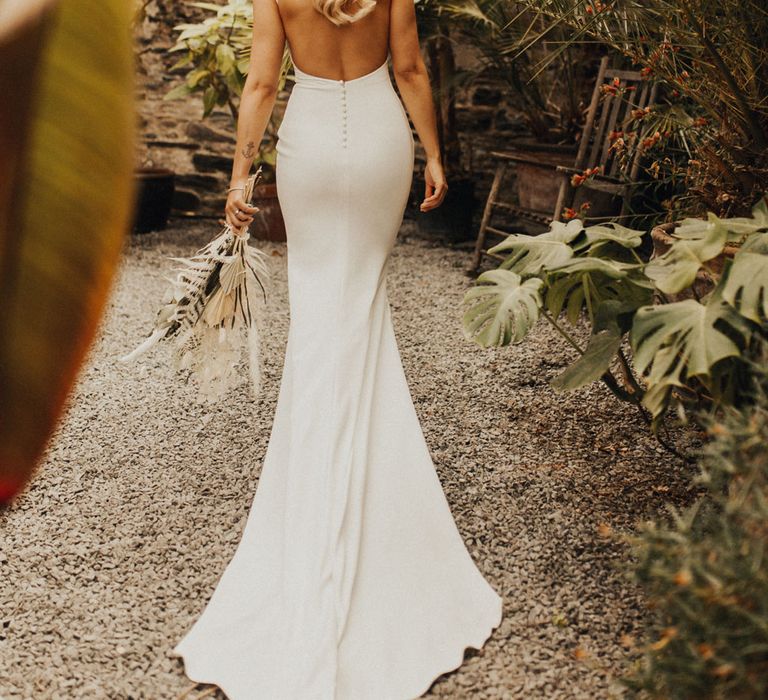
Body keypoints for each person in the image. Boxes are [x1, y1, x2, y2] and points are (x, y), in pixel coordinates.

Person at [172, 0, 503, 696]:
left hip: (310, 146)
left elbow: (261, 84)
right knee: (360, 312)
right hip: (382, 139)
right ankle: (371, 505)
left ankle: (318, 495)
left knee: (322, 319)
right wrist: (435, 152)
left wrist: (240, 176)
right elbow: (409, 68)